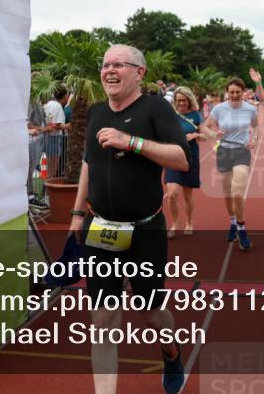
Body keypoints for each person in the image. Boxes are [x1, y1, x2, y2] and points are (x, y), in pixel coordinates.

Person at [69, 44, 190, 394]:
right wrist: (78, 213)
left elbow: (181, 159)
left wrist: (131, 141)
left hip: (144, 230)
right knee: (103, 318)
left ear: (140, 72)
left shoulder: (155, 108)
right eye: (106, 64)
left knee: (151, 313)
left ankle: (170, 352)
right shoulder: (95, 112)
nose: (110, 70)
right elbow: (89, 165)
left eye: (119, 64)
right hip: (102, 228)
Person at [205, 76, 261, 251]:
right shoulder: (219, 109)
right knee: (228, 194)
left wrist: (254, 138)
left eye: (237, 92)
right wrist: (213, 134)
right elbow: (205, 127)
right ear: (227, 93)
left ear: (243, 93)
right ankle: (232, 221)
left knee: (237, 193)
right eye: (231, 92)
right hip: (224, 152)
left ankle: (242, 228)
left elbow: (256, 126)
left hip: (241, 152)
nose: (234, 95)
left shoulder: (250, 109)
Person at [164, 87, 206, 238]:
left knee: (188, 196)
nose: (181, 103)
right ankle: (175, 224)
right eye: (178, 101)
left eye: (184, 100)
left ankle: (189, 221)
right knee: (172, 195)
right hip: (173, 157)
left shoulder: (196, 115)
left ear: (189, 100)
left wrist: (195, 135)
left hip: (190, 158)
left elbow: (205, 136)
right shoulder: (170, 114)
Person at [27, 93, 48, 207]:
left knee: (32, 168)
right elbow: (28, 124)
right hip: (31, 140)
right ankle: (30, 196)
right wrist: (43, 129)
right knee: (29, 169)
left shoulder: (37, 100)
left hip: (37, 139)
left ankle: (30, 195)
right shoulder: (29, 101)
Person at [43, 87, 70, 178]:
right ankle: (47, 191)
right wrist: (68, 126)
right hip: (54, 139)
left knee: (49, 169)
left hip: (46, 137)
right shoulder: (57, 106)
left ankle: (46, 190)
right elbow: (57, 125)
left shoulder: (48, 104)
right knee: (52, 170)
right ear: (65, 96)